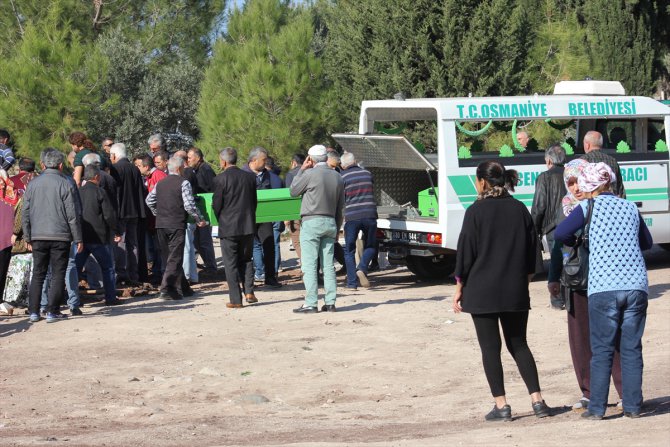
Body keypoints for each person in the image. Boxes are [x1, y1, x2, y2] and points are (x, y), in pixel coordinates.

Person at [453, 160, 550, 421]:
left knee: (490, 348)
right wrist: (523, 281)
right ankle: (538, 401)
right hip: (515, 289)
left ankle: (502, 406)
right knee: (519, 344)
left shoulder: (476, 211)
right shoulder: (519, 209)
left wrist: (459, 287)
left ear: (482, 182)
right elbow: (533, 254)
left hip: (481, 290)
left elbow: (466, 254)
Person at [555, 162, 652, 420]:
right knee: (631, 347)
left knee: (602, 349)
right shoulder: (630, 206)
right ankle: (632, 406)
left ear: (590, 185)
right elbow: (647, 242)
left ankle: (597, 408)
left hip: (604, 286)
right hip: (635, 285)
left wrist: (578, 241)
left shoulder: (587, 207)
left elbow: (561, 233)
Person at [558, 158, 623, 412]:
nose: (575, 188)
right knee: (580, 337)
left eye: (578, 182)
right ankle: (589, 392)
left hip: (604, 279)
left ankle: (621, 390)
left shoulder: (599, 207)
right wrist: (554, 278)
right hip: (575, 280)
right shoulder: (565, 207)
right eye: (570, 183)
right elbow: (556, 243)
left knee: (612, 335)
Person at [22, 148, 82, 323]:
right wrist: (78, 237)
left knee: (38, 273)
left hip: (38, 235)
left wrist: (27, 236)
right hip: (61, 235)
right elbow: (73, 214)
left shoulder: (32, 184)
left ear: (42, 164)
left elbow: (25, 213)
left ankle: (33, 311)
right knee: (57, 274)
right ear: (61, 165)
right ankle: (52, 312)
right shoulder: (66, 183)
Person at [290, 145, 344, 313]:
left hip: (311, 222)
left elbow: (293, 191)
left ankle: (311, 302)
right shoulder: (337, 177)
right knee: (328, 265)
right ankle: (330, 302)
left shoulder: (309, 174)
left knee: (310, 264)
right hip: (330, 222)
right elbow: (340, 207)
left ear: (310, 159)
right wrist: (337, 228)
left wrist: (301, 170)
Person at [146, 156, 206, 300]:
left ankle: (184, 288)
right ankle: (166, 289)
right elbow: (189, 205)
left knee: (169, 257)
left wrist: (157, 213)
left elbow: (149, 200)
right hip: (176, 223)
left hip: (160, 224)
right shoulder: (183, 183)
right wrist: (199, 219)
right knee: (175, 258)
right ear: (179, 169)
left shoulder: (160, 183)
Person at [212, 147, 258, 308]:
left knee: (230, 263)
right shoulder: (250, 177)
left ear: (224, 161)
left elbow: (216, 205)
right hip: (247, 225)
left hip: (228, 226)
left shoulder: (219, 179)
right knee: (246, 259)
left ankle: (236, 299)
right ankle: (249, 291)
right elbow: (254, 202)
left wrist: (221, 220)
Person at [75, 165, 122, 306]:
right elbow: (109, 215)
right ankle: (110, 298)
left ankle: (74, 299)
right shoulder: (100, 192)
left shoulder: (78, 192)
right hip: (99, 237)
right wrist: (117, 230)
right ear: (96, 177)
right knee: (107, 268)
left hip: (81, 238)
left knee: (76, 269)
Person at [531, 144, 567, 309]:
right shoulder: (571, 174)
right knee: (572, 260)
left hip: (553, 227)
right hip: (573, 224)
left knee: (557, 262)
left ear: (549, 160)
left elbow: (539, 206)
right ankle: (571, 297)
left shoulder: (544, 177)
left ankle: (558, 300)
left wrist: (535, 229)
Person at [244, 147, 281, 288]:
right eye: (263, 160)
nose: (266, 163)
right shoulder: (243, 174)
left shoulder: (269, 176)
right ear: (253, 160)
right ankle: (248, 281)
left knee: (269, 245)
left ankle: (270, 277)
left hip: (265, 217)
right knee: (247, 249)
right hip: (248, 217)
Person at [109, 142, 146, 285]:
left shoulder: (115, 169)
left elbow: (115, 192)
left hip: (121, 212)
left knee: (120, 243)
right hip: (135, 211)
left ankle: (122, 274)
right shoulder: (134, 169)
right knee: (133, 244)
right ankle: (133, 274)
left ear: (114, 155)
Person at [340, 152, 377, 290]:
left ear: (343, 165)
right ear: (355, 161)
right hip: (370, 214)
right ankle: (362, 267)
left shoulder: (342, 177)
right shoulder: (367, 174)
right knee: (371, 245)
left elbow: (341, 197)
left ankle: (351, 283)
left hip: (352, 216)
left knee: (349, 250)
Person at [187, 147, 218, 273]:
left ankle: (211, 266)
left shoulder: (206, 170)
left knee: (204, 240)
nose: (188, 160)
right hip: (199, 209)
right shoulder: (196, 170)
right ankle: (208, 265)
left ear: (198, 158)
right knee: (198, 241)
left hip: (205, 209)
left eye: (190, 157)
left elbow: (213, 188)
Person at [581, 130, 625, 198]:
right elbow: (620, 190)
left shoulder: (581, 162)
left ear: (587, 145)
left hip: (590, 205)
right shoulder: (612, 161)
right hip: (612, 204)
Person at [0, 176, 20, 315]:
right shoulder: (12, 194)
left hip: (5, 238)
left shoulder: (11, 195)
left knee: (2, 272)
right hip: (6, 237)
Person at [284, 153, 305, 261]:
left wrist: (287, 216)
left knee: (296, 240)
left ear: (294, 162)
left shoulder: (291, 174)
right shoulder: (310, 172)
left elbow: (289, 195)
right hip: (310, 210)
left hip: (296, 211)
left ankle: (306, 265)